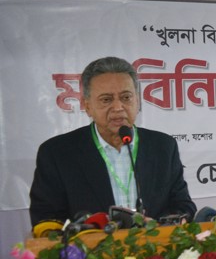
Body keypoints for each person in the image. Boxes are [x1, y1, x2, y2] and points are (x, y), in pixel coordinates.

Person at [29, 56, 196, 227]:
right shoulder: (57, 153)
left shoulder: (163, 146)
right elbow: (46, 219)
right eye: (106, 99)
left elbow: (183, 206)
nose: (118, 107)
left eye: (126, 97)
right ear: (87, 106)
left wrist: (158, 226)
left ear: (137, 101)